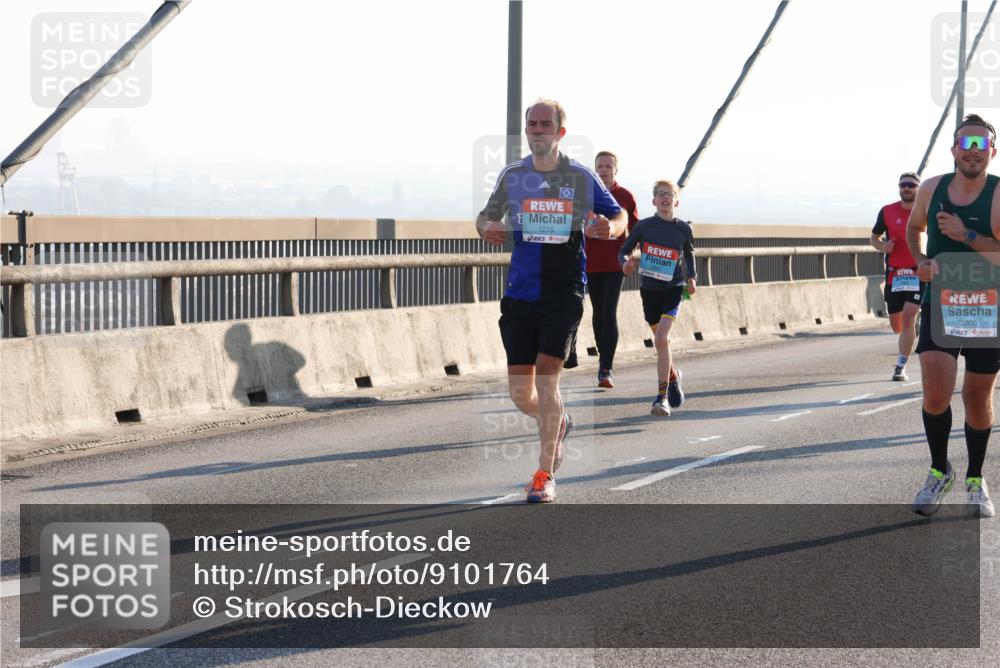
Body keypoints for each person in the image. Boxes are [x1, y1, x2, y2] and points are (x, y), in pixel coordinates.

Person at [476, 99, 627, 503]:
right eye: (533, 124)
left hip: (564, 292)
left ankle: (543, 475)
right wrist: (487, 227)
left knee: (547, 378)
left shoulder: (579, 176)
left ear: (560, 132)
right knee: (520, 394)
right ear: (527, 130)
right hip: (520, 293)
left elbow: (619, 216)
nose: (538, 130)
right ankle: (558, 421)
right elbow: (484, 217)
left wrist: (609, 228)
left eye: (546, 124)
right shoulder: (513, 175)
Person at [906, 114, 999, 518]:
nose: (973, 151)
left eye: (981, 144)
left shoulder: (998, 194)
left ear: (992, 151)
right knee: (935, 394)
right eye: (966, 143)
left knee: (976, 399)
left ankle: (976, 479)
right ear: (954, 150)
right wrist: (920, 261)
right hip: (942, 304)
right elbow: (914, 228)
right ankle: (939, 469)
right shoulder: (931, 188)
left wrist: (966, 236)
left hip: (987, 307)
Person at [620, 180, 696, 417]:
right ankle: (673, 377)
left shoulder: (683, 229)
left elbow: (689, 253)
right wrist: (625, 263)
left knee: (661, 338)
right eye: (660, 194)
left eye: (669, 194)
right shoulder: (644, 226)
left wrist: (692, 277)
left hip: (674, 290)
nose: (665, 198)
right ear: (653, 200)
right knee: (662, 343)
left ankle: (661, 398)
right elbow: (624, 250)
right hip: (650, 291)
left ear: (676, 201)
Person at [583, 151, 641, 388]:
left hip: (615, 264)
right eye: (600, 166)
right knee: (598, 314)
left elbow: (637, 231)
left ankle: (606, 368)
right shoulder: (586, 196)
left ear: (616, 170)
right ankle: (602, 360)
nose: (604, 170)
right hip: (590, 263)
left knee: (609, 312)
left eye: (608, 166)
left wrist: (633, 255)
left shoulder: (625, 196)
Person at [871, 171, 924, 381]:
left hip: (917, 272)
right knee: (897, 325)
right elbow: (874, 238)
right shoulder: (887, 211)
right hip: (895, 275)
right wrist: (884, 246)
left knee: (909, 316)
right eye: (903, 185)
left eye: (911, 185)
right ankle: (912, 329)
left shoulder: (926, 210)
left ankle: (901, 366)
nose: (907, 188)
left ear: (918, 188)